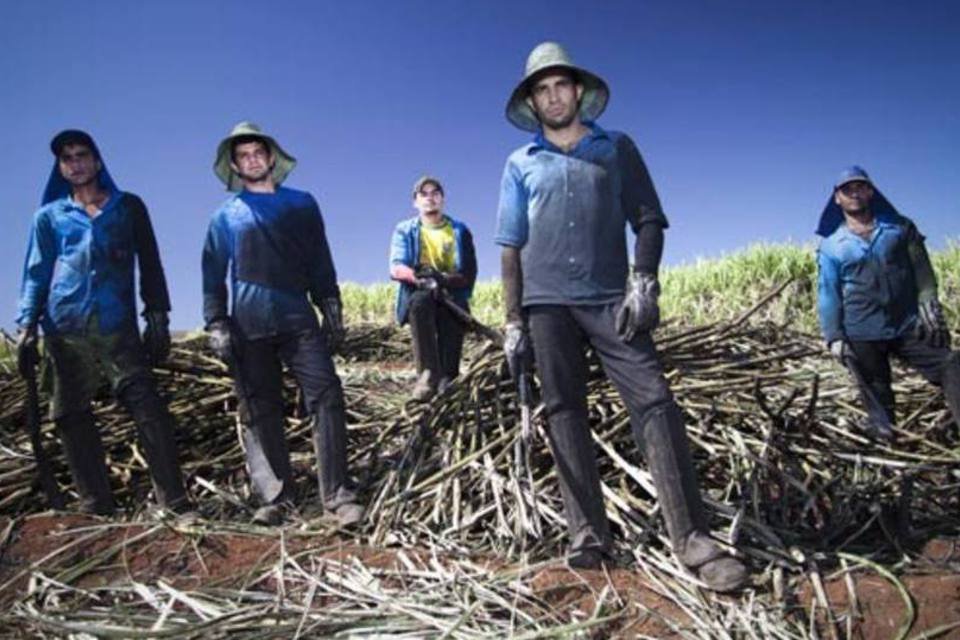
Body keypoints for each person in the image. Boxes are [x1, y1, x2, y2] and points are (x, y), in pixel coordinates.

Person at [494, 42, 747, 591]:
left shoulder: (616, 149)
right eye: (542, 89)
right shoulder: (520, 164)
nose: (553, 96)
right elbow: (510, 246)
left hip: (610, 297)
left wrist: (644, 280)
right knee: (563, 410)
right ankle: (588, 535)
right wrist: (513, 320)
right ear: (532, 103)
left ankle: (693, 540)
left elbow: (648, 218)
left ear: (578, 92)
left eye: (561, 85)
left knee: (654, 399)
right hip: (545, 305)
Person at [16, 129, 191, 517]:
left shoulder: (128, 207)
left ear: (97, 161)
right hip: (65, 328)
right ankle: (97, 506)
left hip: (118, 325)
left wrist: (158, 314)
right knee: (70, 413)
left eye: (82, 155)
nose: (75, 163)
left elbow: (150, 261)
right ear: (61, 168)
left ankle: (175, 502)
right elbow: (37, 271)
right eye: (67, 158)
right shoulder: (49, 217)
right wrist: (27, 325)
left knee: (146, 405)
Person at [202, 122, 362, 527]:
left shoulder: (302, 204)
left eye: (258, 152)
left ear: (271, 157)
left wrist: (330, 301)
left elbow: (319, 258)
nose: (252, 159)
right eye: (244, 155)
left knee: (326, 394)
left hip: (297, 317)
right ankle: (277, 497)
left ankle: (337, 496)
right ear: (235, 166)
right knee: (259, 408)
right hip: (248, 323)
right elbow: (212, 272)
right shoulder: (226, 216)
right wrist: (217, 321)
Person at [816, 165, 960, 440]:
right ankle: (886, 445)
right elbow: (828, 293)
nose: (855, 193)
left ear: (871, 191)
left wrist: (929, 302)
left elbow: (923, 270)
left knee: (952, 363)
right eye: (848, 190)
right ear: (837, 198)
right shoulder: (832, 245)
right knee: (878, 396)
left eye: (860, 187)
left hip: (908, 324)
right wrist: (834, 336)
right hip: (862, 330)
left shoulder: (900, 228)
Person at [389, 176, 477, 401]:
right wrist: (419, 279)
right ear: (415, 202)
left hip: (452, 295)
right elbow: (397, 267)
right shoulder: (405, 230)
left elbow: (468, 273)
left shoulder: (459, 231)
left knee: (452, 323)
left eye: (435, 193)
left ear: (443, 199)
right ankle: (427, 375)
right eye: (424, 194)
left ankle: (448, 380)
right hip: (421, 293)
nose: (430, 198)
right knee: (419, 303)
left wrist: (442, 279)